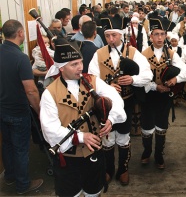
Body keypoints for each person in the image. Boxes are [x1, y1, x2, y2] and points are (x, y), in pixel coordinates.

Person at [40, 37, 126, 197]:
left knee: (94, 192)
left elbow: (116, 99)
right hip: (68, 158)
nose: (80, 67)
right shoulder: (50, 93)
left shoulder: (92, 81)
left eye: (80, 62)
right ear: (61, 67)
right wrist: (80, 137)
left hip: (94, 154)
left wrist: (111, 119)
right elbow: (49, 128)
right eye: (74, 64)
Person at [88, 15, 153, 185]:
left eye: (114, 35)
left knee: (123, 137)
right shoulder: (98, 53)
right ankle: (108, 169)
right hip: (105, 104)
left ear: (121, 35)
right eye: (107, 36)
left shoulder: (133, 52)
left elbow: (148, 74)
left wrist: (133, 80)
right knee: (107, 138)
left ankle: (123, 169)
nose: (110, 39)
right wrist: (107, 87)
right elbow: (91, 78)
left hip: (127, 101)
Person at [141, 16, 186, 169]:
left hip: (164, 97)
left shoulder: (171, 54)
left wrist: (175, 80)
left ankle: (158, 154)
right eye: (156, 34)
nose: (160, 37)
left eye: (163, 34)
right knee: (147, 125)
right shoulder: (143, 55)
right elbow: (139, 79)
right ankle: (146, 151)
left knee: (162, 125)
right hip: (148, 95)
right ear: (151, 36)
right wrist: (154, 86)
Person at [0, 19, 43, 195]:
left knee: (7, 144)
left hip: (2, 109)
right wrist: (40, 111)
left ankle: (9, 176)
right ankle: (23, 184)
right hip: (18, 111)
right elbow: (31, 90)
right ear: (19, 33)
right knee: (21, 148)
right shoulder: (21, 57)